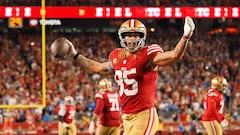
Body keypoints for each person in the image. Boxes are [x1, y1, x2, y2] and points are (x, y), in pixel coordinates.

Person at [52, 16, 195, 135]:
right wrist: (75, 54)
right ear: (122, 36)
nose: (132, 39)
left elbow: (175, 55)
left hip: (144, 115)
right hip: (126, 117)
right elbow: (95, 67)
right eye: (128, 35)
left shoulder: (149, 54)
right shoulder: (117, 56)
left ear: (142, 37)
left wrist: (185, 37)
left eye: (136, 35)